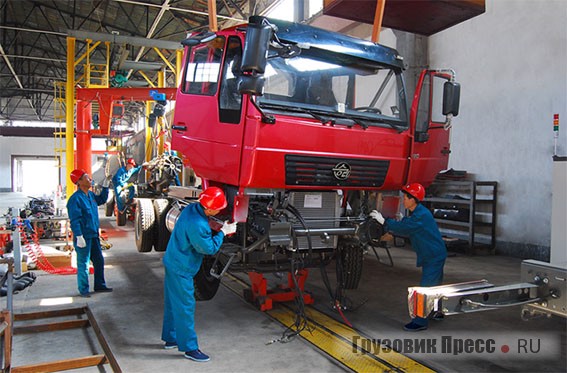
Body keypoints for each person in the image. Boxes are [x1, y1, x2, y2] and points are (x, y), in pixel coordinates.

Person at [161, 186, 237, 362]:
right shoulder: (197, 225)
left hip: (173, 261)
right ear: (209, 208)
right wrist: (223, 233)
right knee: (186, 306)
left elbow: (203, 224)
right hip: (181, 269)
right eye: (218, 208)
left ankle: (170, 338)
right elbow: (209, 248)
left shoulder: (192, 208)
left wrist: (215, 225)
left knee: (173, 303)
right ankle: (189, 348)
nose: (220, 210)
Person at [370, 182, 447, 332]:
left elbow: (406, 228)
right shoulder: (419, 213)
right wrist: (395, 225)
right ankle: (437, 311)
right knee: (435, 286)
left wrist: (385, 221)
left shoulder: (421, 216)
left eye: (406, 197)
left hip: (433, 255)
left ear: (413, 199)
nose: (403, 200)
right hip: (434, 253)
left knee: (424, 289)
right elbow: (408, 226)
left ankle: (420, 322)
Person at [67, 169, 113, 297]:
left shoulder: (91, 195)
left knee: (99, 260)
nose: (90, 180)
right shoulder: (75, 199)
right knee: (84, 264)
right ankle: (84, 289)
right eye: (87, 178)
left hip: (93, 235)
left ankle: (99, 285)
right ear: (79, 181)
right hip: (84, 237)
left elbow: (102, 199)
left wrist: (105, 185)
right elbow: (75, 220)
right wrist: (79, 236)